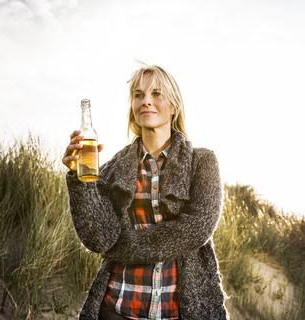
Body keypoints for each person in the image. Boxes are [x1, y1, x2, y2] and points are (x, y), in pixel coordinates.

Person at [62, 64, 228, 320]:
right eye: (139, 95)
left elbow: (197, 228)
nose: (146, 102)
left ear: (174, 106)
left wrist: (123, 248)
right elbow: (98, 240)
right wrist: (79, 179)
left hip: (179, 312)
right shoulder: (112, 168)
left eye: (156, 94)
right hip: (117, 307)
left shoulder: (202, 162)